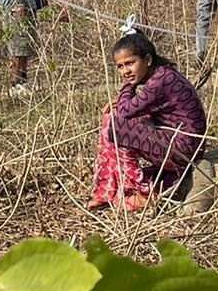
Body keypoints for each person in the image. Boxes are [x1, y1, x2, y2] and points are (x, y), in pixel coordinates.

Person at [88, 31, 208, 211]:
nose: (125, 71)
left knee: (114, 123)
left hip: (183, 149)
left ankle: (139, 191)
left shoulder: (162, 80)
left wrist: (128, 87)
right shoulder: (161, 75)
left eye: (130, 63)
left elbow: (127, 111)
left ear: (148, 60)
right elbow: (131, 108)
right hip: (178, 142)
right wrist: (123, 101)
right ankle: (110, 188)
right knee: (114, 117)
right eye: (120, 66)